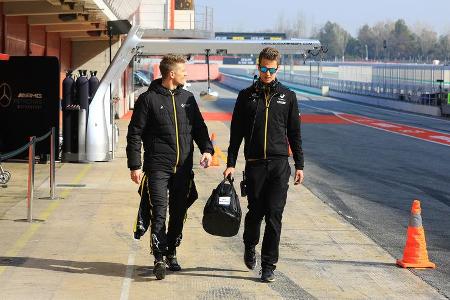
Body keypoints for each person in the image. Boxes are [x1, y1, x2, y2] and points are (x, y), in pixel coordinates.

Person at [127, 54, 214, 280]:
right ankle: (158, 257)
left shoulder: (188, 98)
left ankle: (171, 251)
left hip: (183, 168)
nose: (186, 74)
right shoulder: (148, 100)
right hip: (157, 167)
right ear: (172, 74)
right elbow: (134, 133)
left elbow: (199, 128)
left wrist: (207, 149)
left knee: (178, 213)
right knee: (159, 213)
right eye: (183, 71)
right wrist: (135, 165)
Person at [223, 47, 304, 282]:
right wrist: (230, 163)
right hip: (255, 164)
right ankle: (250, 245)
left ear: (278, 68)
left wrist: (299, 164)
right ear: (257, 66)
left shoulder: (288, 96)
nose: (267, 73)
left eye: (271, 69)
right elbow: (236, 133)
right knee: (255, 214)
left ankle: (268, 265)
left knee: (274, 216)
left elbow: (295, 134)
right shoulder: (246, 96)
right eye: (263, 68)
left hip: (280, 165)